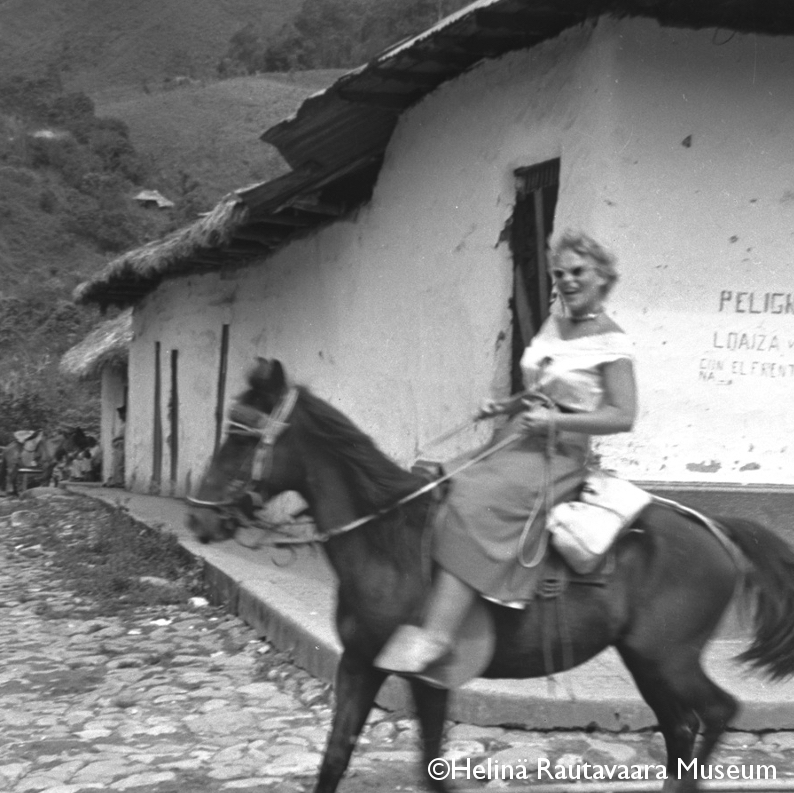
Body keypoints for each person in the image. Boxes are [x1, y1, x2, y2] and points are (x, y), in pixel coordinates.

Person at [375, 230, 638, 683]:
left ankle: (438, 636)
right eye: (560, 274)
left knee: (475, 501)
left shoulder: (613, 342)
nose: (567, 281)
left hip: (559, 451)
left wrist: (554, 422)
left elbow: (622, 415)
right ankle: (424, 602)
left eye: (578, 271)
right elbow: (544, 387)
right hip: (519, 435)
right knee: (439, 482)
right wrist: (507, 405)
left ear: (602, 277)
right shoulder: (554, 326)